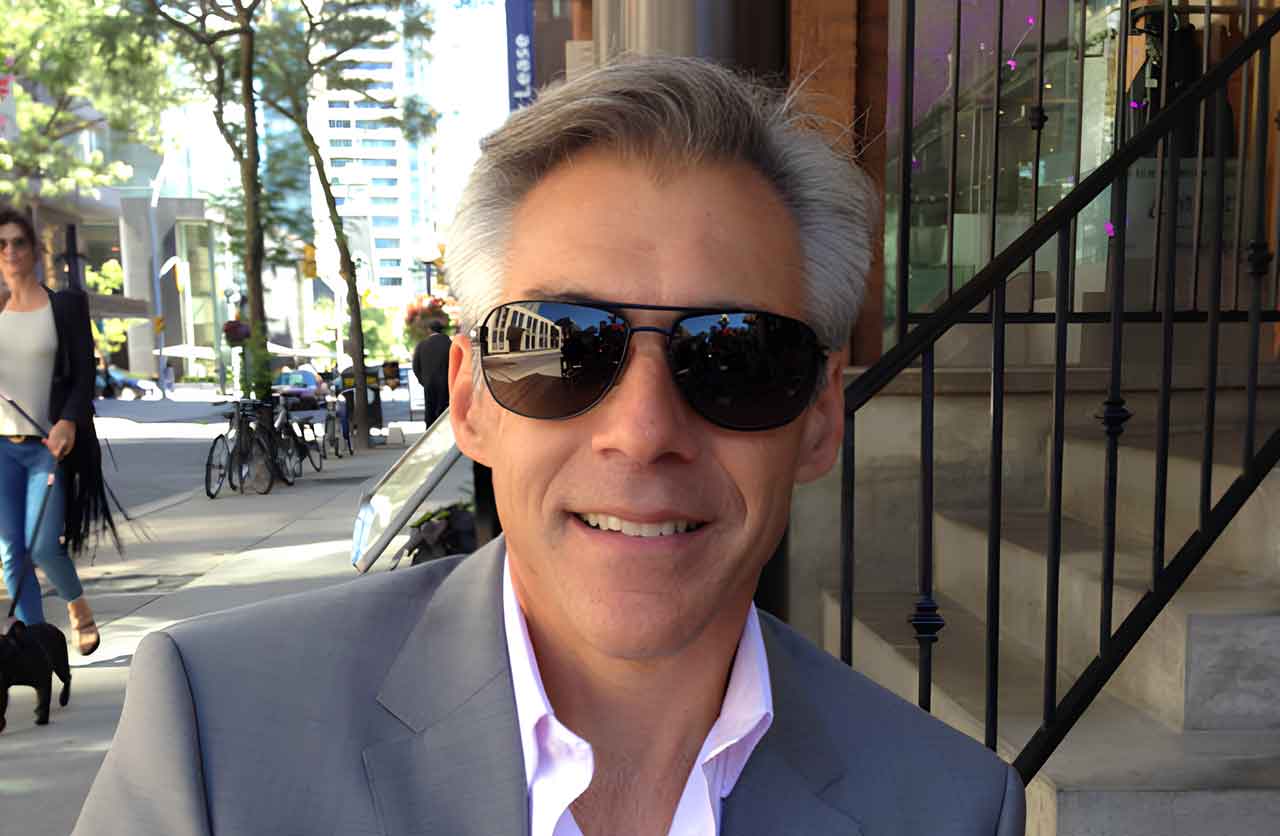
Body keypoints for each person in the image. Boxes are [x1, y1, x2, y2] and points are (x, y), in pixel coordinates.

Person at [76, 58, 1024, 835]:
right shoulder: (216, 738)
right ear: (470, 401)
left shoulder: (950, 809)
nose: (643, 432)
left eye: (734, 356)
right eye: (567, 347)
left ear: (819, 418)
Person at [0, 206, 115, 656]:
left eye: (18, 242)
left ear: (34, 250)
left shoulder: (63, 306)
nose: (10, 251)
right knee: (12, 553)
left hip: (46, 447)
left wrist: (68, 420)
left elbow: (84, 375)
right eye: (1, 244)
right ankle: (36, 646)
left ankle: (78, 606)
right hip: (1, 449)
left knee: (45, 546)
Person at [411, 319, 451, 427]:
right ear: (442, 330)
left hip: (429, 383)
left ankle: (429, 430)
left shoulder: (421, 345)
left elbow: (415, 366)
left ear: (429, 330)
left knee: (430, 409)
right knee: (444, 410)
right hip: (446, 383)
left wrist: (424, 381)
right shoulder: (449, 343)